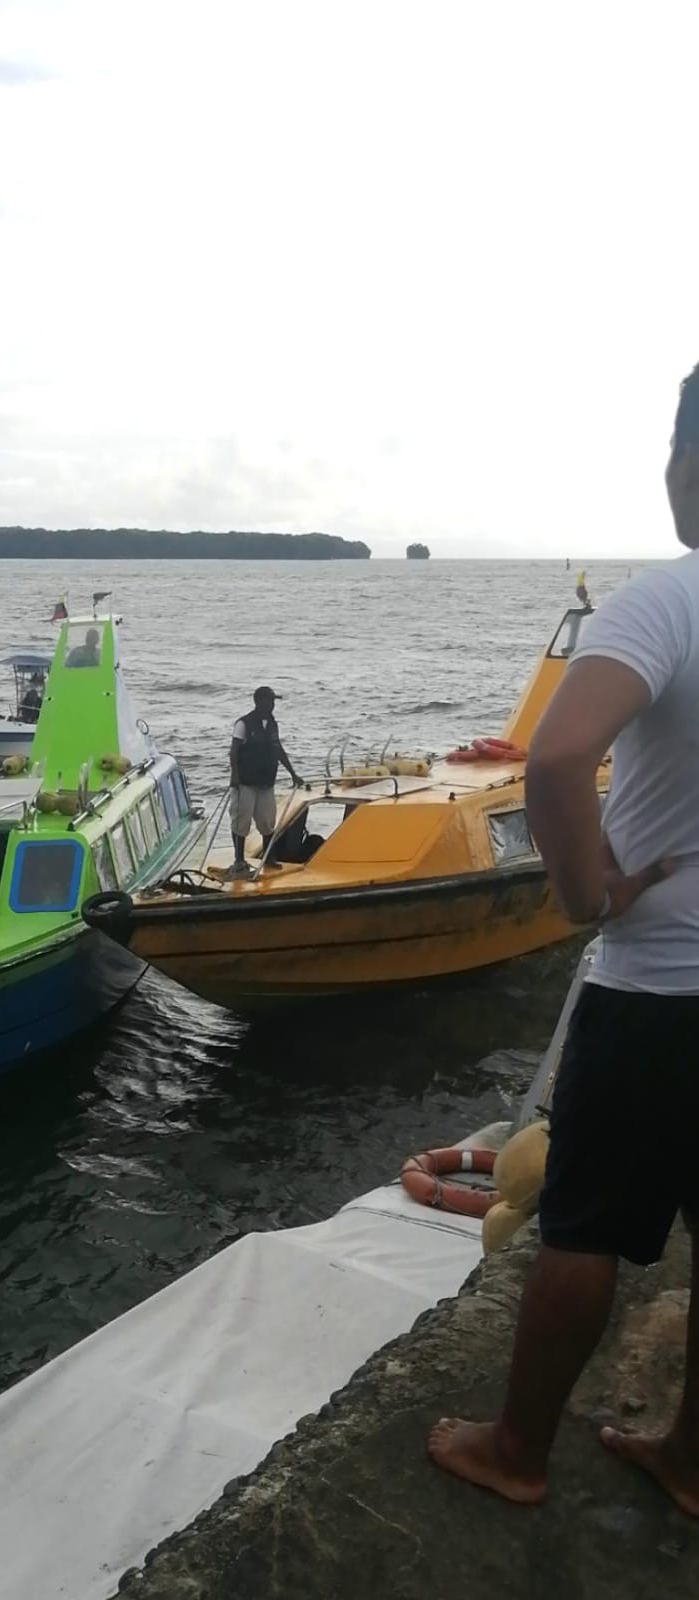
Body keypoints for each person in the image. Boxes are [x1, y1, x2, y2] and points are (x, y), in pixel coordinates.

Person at [428, 360, 699, 1516]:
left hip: (657, 985)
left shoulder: (666, 600)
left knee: (580, 1223)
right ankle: (688, 1462)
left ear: (687, 468)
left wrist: (583, 893)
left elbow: (550, 757)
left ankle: (515, 1449)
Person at [228, 686, 303, 879]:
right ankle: (239, 859)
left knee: (267, 820)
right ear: (258, 701)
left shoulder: (271, 724)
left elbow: (278, 750)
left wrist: (293, 774)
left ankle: (269, 857)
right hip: (245, 782)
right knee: (241, 821)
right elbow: (234, 752)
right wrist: (235, 776)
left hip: (266, 782)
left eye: (273, 702)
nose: (272, 705)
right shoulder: (243, 724)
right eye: (269, 701)